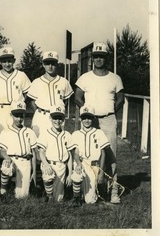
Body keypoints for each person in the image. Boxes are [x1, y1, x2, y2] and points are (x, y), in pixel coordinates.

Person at [75, 42, 124, 204]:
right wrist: (86, 111)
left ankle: (113, 191)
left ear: (106, 58)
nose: (98, 60)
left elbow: (120, 100)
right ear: (92, 58)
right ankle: (87, 187)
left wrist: (109, 112)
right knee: (87, 154)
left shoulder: (115, 78)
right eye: (96, 56)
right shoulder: (85, 77)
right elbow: (77, 97)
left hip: (108, 120)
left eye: (101, 57)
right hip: (90, 120)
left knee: (110, 155)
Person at [0, 101, 37, 199]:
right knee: (6, 166)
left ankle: (14, 190)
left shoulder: (29, 132)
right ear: (11, 115)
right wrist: (7, 158)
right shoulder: (6, 132)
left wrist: (34, 172)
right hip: (12, 161)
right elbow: (1, 150)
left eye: (21, 116)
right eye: (16, 115)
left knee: (22, 196)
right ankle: (3, 192)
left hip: (26, 162)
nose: (19, 119)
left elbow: (34, 153)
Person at [27, 51, 73, 137]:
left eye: (53, 63)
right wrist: (40, 111)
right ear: (43, 64)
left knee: (57, 143)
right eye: (47, 63)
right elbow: (32, 101)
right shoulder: (37, 82)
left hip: (58, 117)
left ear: (57, 64)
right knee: (38, 144)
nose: (50, 66)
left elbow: (65, 101)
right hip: (41, 116)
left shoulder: (64, 82)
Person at [70, 105, 108, 206]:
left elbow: (103, 152)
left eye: (89, 118)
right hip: (82, 163)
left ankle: (85, 194)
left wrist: (101, 171)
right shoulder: (76, 134)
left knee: (90, 200)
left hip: (94, 165)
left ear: (93, 118)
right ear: (80, 119)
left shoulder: (99, 133)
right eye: (84, 118)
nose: (87, 120)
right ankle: (76, 198)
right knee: (77, 175)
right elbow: (76, 153)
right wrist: (78, 163)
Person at [0, 47, 31, 135]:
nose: (7, 64)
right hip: (0, 110)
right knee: (0, 138)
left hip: (17, 110)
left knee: (17, 137)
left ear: (14, 60)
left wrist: (20, 102)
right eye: (4, 61)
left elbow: (27, 93)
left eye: (9, 61)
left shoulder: (21, 75)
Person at [37, 106, 74, 202]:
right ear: (50, 118)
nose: (57, 121)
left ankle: (50, 195)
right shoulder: (45, 133)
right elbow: (41, 151)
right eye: (55, 118)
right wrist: (46, 164)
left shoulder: (67, 135)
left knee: (58, 200)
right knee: (48, 176)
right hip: (49, 164)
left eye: (60, 118)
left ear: (63, 119)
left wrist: (69, 174)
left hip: (62, 166)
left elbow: (70, 156)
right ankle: (48, 196)